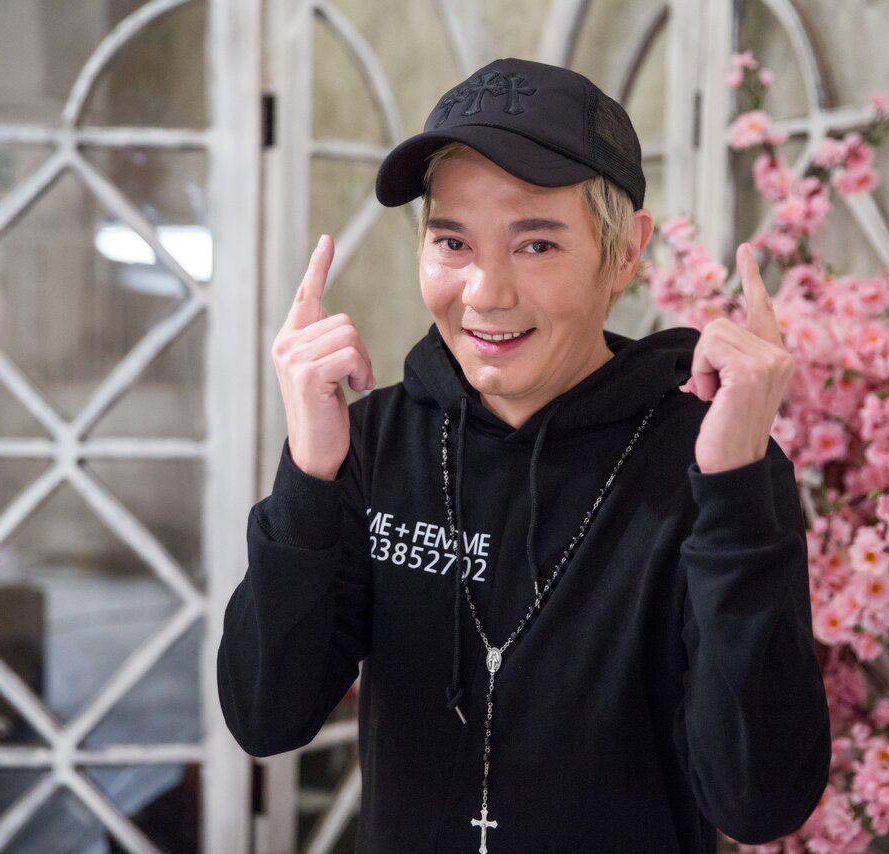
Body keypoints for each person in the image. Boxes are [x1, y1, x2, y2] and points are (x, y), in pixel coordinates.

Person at [218, 57, 830, 852]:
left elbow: (760, 801)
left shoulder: (713, 460)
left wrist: (737, 493)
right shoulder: (372, 445)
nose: (485, 292)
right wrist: (307, 476)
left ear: (624, 252)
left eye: (536, 244)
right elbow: (265, 716)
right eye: (452, 241)